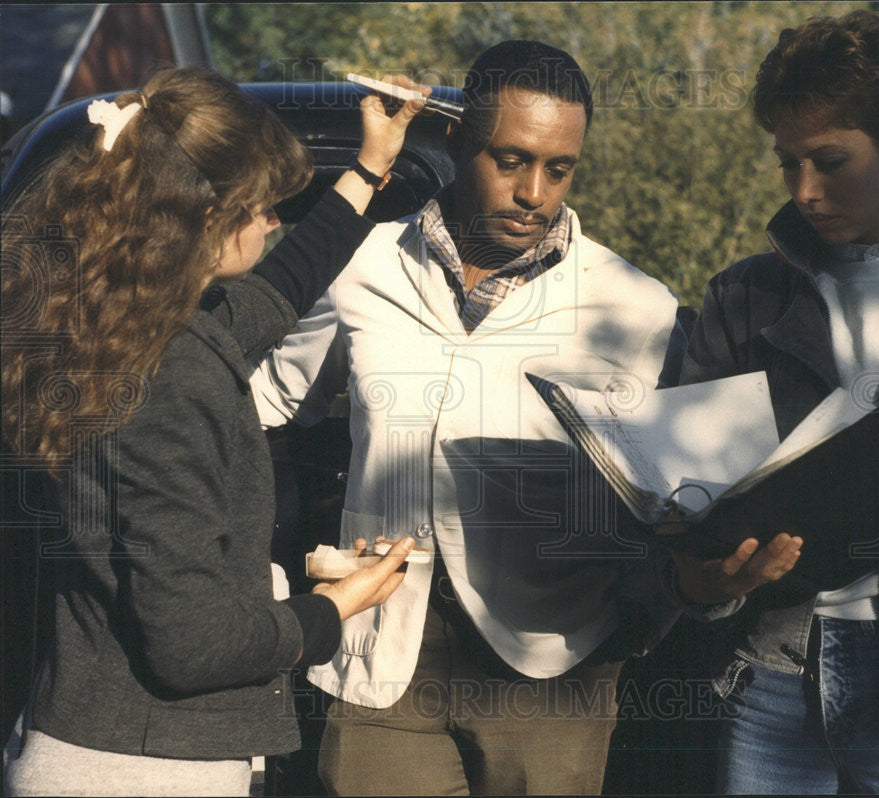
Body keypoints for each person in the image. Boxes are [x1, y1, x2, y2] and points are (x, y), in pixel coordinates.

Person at [249, 40, 800, 796]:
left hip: (554, 668)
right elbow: (261, 403)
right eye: (509, 160)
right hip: (381, 651)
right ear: (454, 142)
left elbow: (696, 485)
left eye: (558, 168)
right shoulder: (362, 267)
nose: (534, 192)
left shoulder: (633, 308)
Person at [1, 66, 428, 796]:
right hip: (140, 770)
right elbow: (191, 646)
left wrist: (371, 165)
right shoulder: (173, 377)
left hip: (104, 744)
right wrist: (331, 610)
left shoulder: (118, 326)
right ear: (203, 219)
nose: (274, 223)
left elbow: (278, 291)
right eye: (262, 208)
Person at [673, 10, 879, 794]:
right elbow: (688, 497)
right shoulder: (744, 295)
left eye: (828, 161)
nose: (806, 192)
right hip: (775, 667)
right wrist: (708, 575)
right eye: (788, 164)